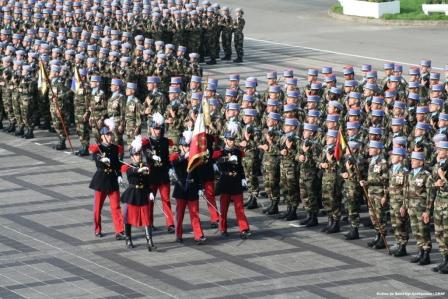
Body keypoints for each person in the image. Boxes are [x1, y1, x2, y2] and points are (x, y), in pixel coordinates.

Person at [213, 121, 252, 239]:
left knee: (239, 208)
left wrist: (243, 178)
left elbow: (240, 167)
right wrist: (227, 159)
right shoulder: (220, 152)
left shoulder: (237, 152)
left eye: (233, 139)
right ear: (225, 140)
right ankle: (223, 228)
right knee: (224, 209)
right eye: (229, 140)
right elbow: (215, 159)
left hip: (235, 182)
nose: (232, 142)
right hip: (225, 182)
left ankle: (244, 229)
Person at [88, 118, 125, 240]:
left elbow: (117, 164)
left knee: (116, 207)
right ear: (102, 136)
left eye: (110, 135)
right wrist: (101, 159)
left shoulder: (115, 148)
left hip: (112, 180)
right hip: (101, 180)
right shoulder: (98, 148)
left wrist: (119, 176)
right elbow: (95, 157)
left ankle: (119, 230)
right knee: (97, 207)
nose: (110, 137)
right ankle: (97, 229)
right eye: (107, 135)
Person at [169, 130, 207, 244]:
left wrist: (200, 187)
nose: (186, 148)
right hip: (181, 188)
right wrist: (184, 157)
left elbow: (198, 173)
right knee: (179, 214)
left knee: (194, 213)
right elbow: (175, 163)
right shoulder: (176, 156)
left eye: (188, 146)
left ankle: (198, 235)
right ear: (181, 147)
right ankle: (178, 234)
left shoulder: (193, 158)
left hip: (192, 188)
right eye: (185, 146)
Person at [120, 135, 156, 251]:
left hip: (143, 193)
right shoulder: (129, 167)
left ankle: (149, 241)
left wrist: (150, 192)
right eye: (136, 154)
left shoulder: (145, 166)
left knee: (147, 218)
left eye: (139, 154)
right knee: (128, 218)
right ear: (132, 157)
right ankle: (128, 239)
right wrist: (138, 170)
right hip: (132, 194)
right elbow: (130, 172)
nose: (138, 156)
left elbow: (149, 181)